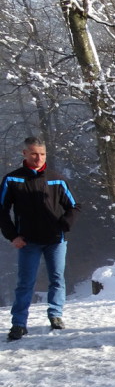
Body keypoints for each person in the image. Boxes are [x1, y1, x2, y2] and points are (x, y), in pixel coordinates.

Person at [1, 137, 79, 341]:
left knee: (57, 279)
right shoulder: (12, 179)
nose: (38, 158)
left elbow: (74, 206)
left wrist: (65, 224)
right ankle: (19, 324)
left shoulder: (56, 179)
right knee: (25, 283)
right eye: (34, 153)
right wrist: (13, 236)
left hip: (55, 240)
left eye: (42, 154)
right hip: (27, 241)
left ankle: (56, 315)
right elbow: (2, 210)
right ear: (24, 153)